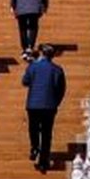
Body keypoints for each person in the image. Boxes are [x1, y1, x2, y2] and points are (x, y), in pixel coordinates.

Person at [21, 42, 67, 172]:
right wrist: (56, 102)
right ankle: (43, 161)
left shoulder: (33, 67)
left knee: (33, 128)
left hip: (34, 104)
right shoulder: (57, 69)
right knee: (46, 133)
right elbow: (61, 88)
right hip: (49, 105)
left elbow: (25, 81)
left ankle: (35, 146)